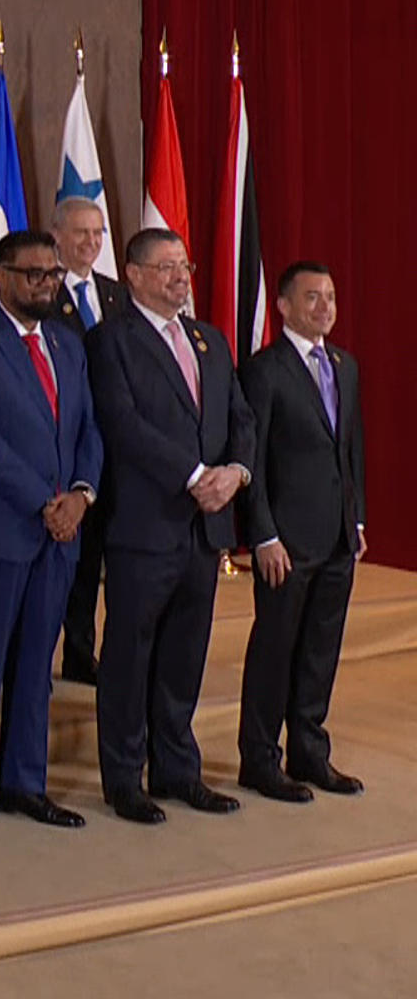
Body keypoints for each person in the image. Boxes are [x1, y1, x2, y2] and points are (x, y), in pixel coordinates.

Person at [87, 228, 254, 824]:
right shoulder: (111, 340)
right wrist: (194, 475)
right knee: (129, 657)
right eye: (166, 267)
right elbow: (122, 423)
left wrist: (235, 473)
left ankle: (177, 770)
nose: (181, 277)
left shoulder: (210, 340)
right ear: (132, 275)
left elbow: (240, 417)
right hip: (145, 525)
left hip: (205, 530)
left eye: (185, 266)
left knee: (185, 655)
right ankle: (124, 778)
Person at [0, 231, 102, 837]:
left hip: (61, 536)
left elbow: (89, 430)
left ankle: (23, 785)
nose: (46, 285)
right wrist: (44, 503)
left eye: (53, 274)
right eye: (33, 274)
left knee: (37, 666)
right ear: (1, 276)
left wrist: (81, 496)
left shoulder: (67, 344)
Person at [236, 261, 368, 801]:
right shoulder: (264, 370)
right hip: (285, 543)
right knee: (275, 649)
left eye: (330, 296)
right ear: (284, 305)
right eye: (312, 297)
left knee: (320, 651)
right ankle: (260, 759)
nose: (325, 307)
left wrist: (356, 519)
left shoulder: (344, 365)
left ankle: (310, 752)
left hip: (336, 537)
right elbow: (252, 458)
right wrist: (263, 535)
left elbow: (351, 449)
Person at [50, 196, 130, 685]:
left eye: (98, 233)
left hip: (113, 449)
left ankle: (81, 653)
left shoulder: (118, 295)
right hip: (63, 443)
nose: (91, 242)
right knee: (60, 562)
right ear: (56, 236)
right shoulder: (42, 293)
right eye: (81, 232)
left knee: (95, 558)